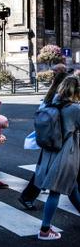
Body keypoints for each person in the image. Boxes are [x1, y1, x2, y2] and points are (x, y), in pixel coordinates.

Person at [34, 76, 80, 240]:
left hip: (49, 152)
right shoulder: (75, 108)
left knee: (72, 188)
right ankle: (44, 230)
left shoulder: (49, 104)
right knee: (55, 191)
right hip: (66, 154)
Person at [18, 71, 69, 210]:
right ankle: (27, 196)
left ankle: (27, 196)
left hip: (49, 138)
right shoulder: (59, 99)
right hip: (59, 140)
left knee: (44, 169)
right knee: (46, 170)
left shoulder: (49, 97)